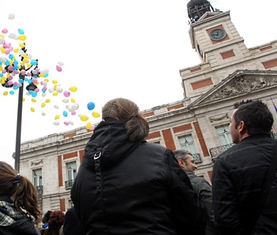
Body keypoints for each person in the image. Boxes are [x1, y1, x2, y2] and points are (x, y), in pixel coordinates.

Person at [71, 97, 206, 234]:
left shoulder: (82, 172)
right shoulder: (159, 156)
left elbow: (81, 222)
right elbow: (191, 213)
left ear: (103, 121)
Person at [212, 100, 277, 235]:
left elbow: (224, 218)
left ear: (241, 126)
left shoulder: (225, 161)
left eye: (230, 122)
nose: (229, 127)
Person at [174, 149, 220, 235]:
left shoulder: (168, 187)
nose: (196, 166)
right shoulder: (199, 183)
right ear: (181, 163)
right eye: (192, 162)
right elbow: (215, 212)